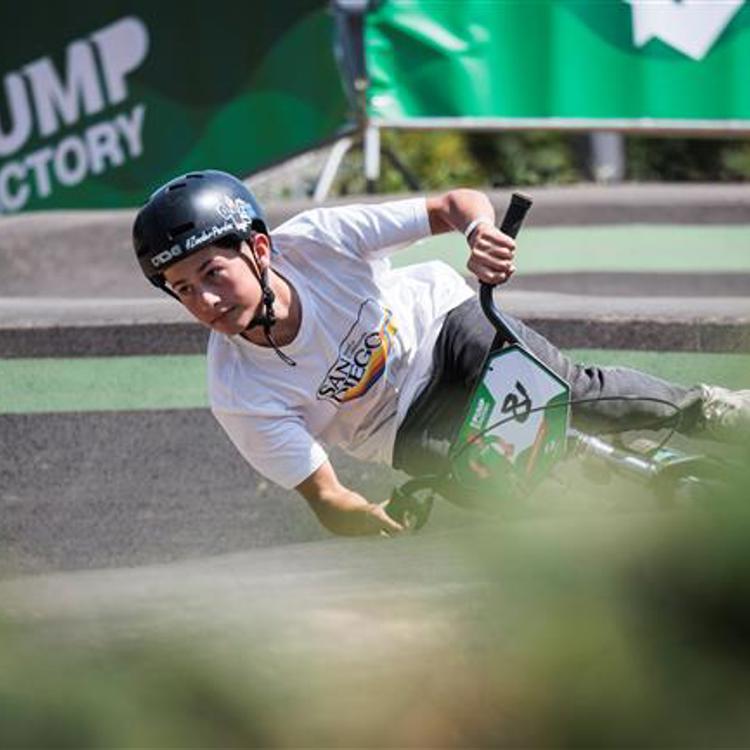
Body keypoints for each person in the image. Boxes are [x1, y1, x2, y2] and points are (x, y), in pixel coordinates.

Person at [133, 170, 749, 536]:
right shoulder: (238, 391)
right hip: (398, 428)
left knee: (565, 394)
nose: (206, 299)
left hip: (443, 329)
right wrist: (369, 515)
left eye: (212, 272)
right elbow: (326, 497)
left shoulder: (319, 242)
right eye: (183, 288)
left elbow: (457, 204)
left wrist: (481, 236)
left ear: (260, 251)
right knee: (507, 493)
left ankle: (710, 410)